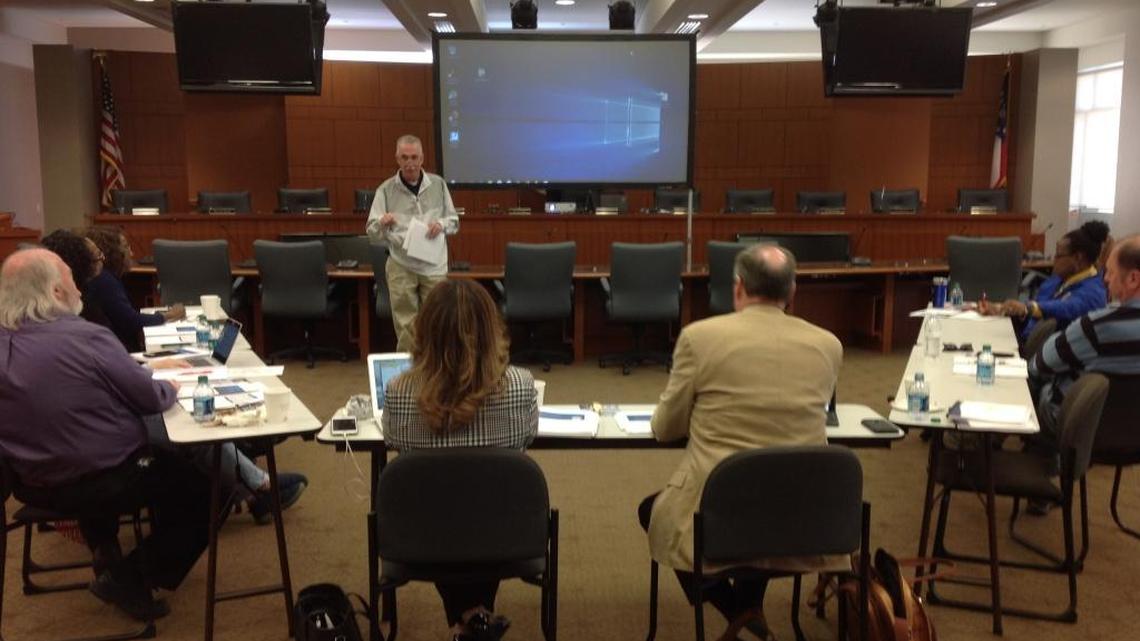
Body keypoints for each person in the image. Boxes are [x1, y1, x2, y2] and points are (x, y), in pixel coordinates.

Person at [640, 244, 844, 640]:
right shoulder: (828, 344)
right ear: (792, 292)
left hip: (718, 513)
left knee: (655, 512)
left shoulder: (699, 338)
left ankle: (737, 610)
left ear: (738, 288)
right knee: (763, 503)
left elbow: (666, 428)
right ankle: (748, 608)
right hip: (801, 515)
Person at [0, 248, 216, 621]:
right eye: (70, 278)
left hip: (33, 481)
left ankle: (106, 549)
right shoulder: (87, 337)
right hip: (108, 475)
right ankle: (129, 575)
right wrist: (169, 386)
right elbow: (150, 398)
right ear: (54, 292)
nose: (81, 288)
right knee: (204, 488)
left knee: (88, 445)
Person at [41, 228, 308, 525]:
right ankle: (257, 485)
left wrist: (147, 368)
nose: (103, 260)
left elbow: (109, 362)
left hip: (97, 417)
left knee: (194, 407)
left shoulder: (75, 310)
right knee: (191, 416)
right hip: (105, 433)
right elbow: (116, 364)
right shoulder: (84, 312)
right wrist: (153, 376)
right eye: (96, 256)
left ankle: (253, 486)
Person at [382, 279, 538, 641]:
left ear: (424, 331)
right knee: (482, 501)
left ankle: (467, 619)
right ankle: (474, 616)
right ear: (492, 330)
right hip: (504, 535)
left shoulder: (400, 393)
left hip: (423, 538)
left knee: (443, 503)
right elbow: (527, 437)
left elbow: (392, 439)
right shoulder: (521, 386)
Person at [1028, 235, 1140, 511]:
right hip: (1134, 437)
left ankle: (1032, 479)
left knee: (1036, 386)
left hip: (1084, 431)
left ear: (1133, 280)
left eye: (1111, 274)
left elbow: (1039, 363)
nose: (1105, 281)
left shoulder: (1097, 327)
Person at [365, 134, 460, 352]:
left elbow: (454, 222)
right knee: (406, 325)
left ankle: (437, 369)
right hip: (401, 265)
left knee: (437, 320)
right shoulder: (385, 190)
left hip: (433, 265)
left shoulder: (438, 185)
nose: (410, 163)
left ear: (422, 158)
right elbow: (371, 233)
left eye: (414, 157)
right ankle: (410, 373)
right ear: (397, 159)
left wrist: (443, 224)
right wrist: (381, 222)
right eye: (405, 157)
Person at [980, 221, 1110, 342]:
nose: (1054, 261)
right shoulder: (1057, 280)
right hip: (1023, 339)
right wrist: (1003, 310)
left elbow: (1068, 308)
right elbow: (1034, 317)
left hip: (1046, 356)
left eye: (1058, 256)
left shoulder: (1094, 292)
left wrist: (1028, 308)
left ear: (1077, 258)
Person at [83, 226, 184, 352]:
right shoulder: (104, 281)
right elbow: (131, 320)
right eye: (126, 247)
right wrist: (169, 315)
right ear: (112, 253)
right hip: (120, 353)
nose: (131, 253)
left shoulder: (107, 277)